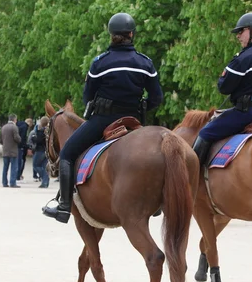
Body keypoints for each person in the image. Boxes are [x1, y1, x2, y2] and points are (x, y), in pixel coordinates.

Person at [42, 12, 163, 223]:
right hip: (133, 121)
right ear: (131, 34)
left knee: (69, 153)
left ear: (111, 35)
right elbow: (157, 97)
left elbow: (87, 96)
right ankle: (156, 202)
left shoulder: (100, 62)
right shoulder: (145, 63)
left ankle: (63, 207)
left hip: (103, 120)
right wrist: (142, 106)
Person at [192, 13, 252, 166]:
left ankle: (191, 177)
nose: (238, 36)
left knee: (206, 132)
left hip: (248, 114)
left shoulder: (244, 58)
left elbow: (224, 87)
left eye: (241, 31)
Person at [0, 114, 21, 188]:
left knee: (5, 167)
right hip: (13, 150)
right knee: (14, 167)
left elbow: (0, 140)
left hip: (5, 150)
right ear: (14, 119)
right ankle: (12, 183)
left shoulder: (3, 127)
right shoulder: (14, 127)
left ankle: (4, 182)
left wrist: (5, 144)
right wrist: (19, 140)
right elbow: (16, 138)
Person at [32, 116, 49, 188]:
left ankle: (45, 178)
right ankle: (45, 182)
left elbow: (39, 141)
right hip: (46, 150)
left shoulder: (41, 131)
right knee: (44, 166)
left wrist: (34, 138)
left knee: (35, 165)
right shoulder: (49, 130)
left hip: (40, 150)